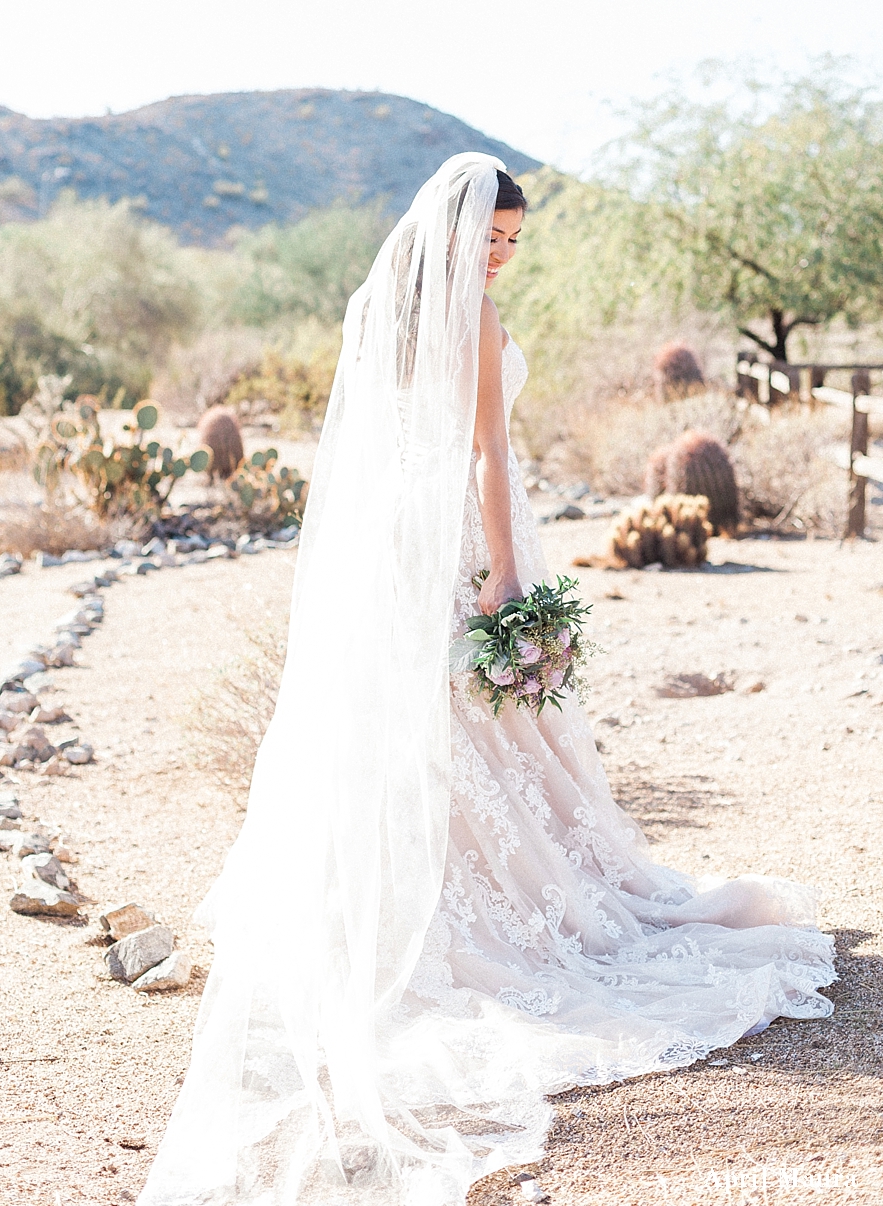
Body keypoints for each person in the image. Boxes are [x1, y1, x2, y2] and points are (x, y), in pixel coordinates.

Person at [138, 154, 834, 1206]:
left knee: (432, 725)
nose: (501, 258)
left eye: (513, 243)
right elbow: (486, 457)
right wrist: (507, 575)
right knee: (470, 722)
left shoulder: (381, 307)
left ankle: (407, 894)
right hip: (458, 537)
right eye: (492, 240)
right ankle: (479, 908)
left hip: (393, 548)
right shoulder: (462, 318)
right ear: (455, 235)